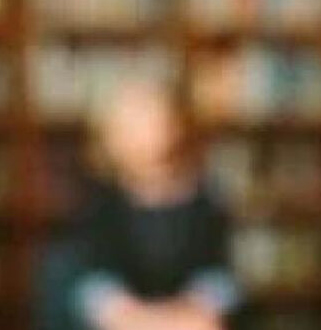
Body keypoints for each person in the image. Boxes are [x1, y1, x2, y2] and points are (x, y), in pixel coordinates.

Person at [38, 81, 240, 330]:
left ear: (172, 126)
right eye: (128, 125)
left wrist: (191, 309)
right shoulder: (96, 200)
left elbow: (219, 273)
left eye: (149, 120)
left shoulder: (205, 196)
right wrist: (134, 317)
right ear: (108, 136)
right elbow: (91, 277)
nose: (141, 134)